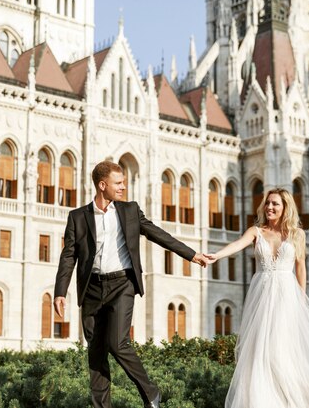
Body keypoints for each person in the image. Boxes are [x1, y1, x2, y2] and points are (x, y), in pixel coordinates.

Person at [54, 160, 207, 408]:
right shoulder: (78, 217)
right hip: (91, 288)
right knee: (96, 353)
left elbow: (158, 234)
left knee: (118, 342)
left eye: (124, 182)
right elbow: (69, 255)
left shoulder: (130, 211)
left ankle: (151, 393)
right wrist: (60, 292)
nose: (124, 187)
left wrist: (191, 254)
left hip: (122, 284)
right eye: (119, 183)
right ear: (102, 185)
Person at [203, 188, 309, 408]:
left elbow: (301, 268)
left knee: (284, 350)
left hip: (287, 296)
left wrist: (301, 303)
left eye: (275, 204)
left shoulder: (297, 234)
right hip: (262, 296)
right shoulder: (256, 232)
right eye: (267, 203)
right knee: (261, 350)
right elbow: (237, 244)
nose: (269, 207)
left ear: (285, 207)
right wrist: (216, 256)